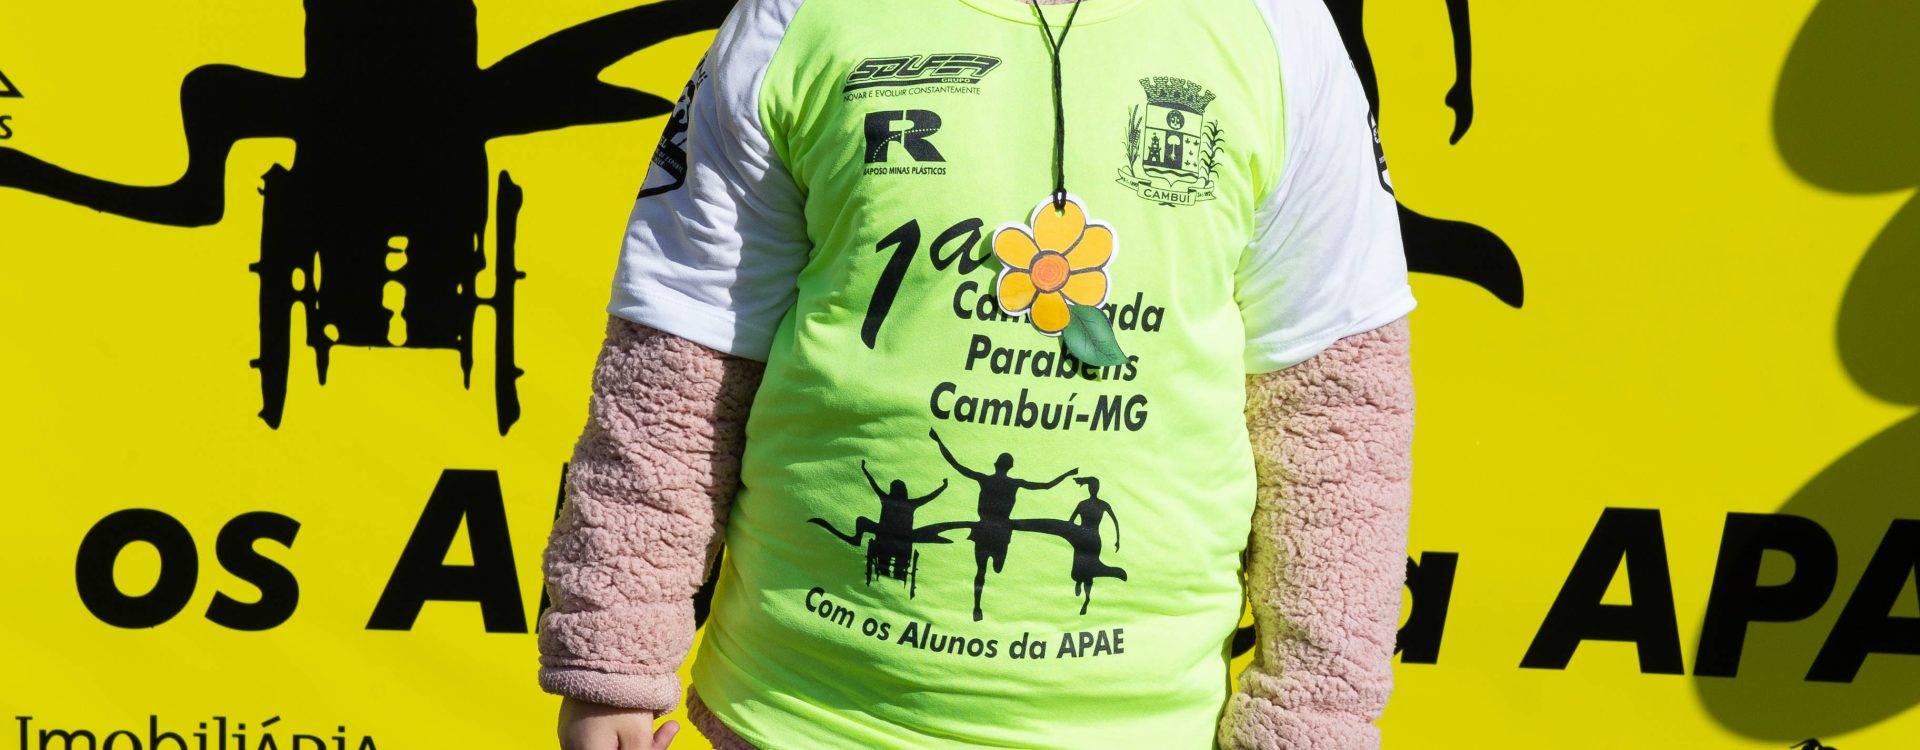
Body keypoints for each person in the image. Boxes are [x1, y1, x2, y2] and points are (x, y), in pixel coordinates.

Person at [538, 0, 1419, 748]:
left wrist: (1315, 715)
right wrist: (614, 653)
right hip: (797, 716)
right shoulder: (796, 17)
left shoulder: (1279, 30)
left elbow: (1337, 412)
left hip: (1141, 727)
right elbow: (678, 363)